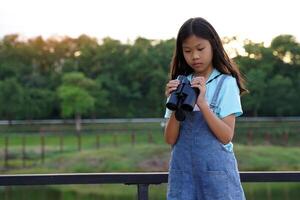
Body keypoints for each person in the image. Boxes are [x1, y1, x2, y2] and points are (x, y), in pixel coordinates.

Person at [164, 17, 248, 200]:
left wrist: (202, 104)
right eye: (187, 51)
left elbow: (226, 136)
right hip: (183, 177)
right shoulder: (181, 83)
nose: (194, 56)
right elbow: (170, 138)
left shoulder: (226, 83)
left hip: (217, 181)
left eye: (200, 49)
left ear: (213, 46)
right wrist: (174, 103)